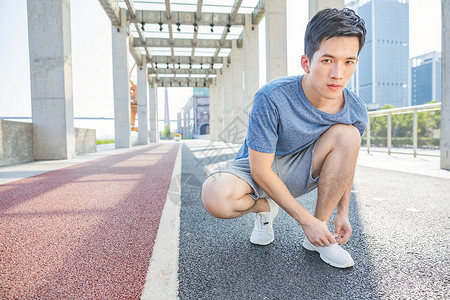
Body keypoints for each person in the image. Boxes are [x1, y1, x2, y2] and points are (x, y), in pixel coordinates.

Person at [201, 8, 367, 269]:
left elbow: (347, 162)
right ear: (306, 62)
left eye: (349, 62)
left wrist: (342, 212)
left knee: (349, 135)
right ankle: (264, 208)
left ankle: (319, 236)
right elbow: (260, 170)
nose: (338, 73)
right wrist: (304, 221)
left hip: (304, 167)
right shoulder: (273, 96)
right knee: (215, 196)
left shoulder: (355, 110)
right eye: (327, 60)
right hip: (259, 166)